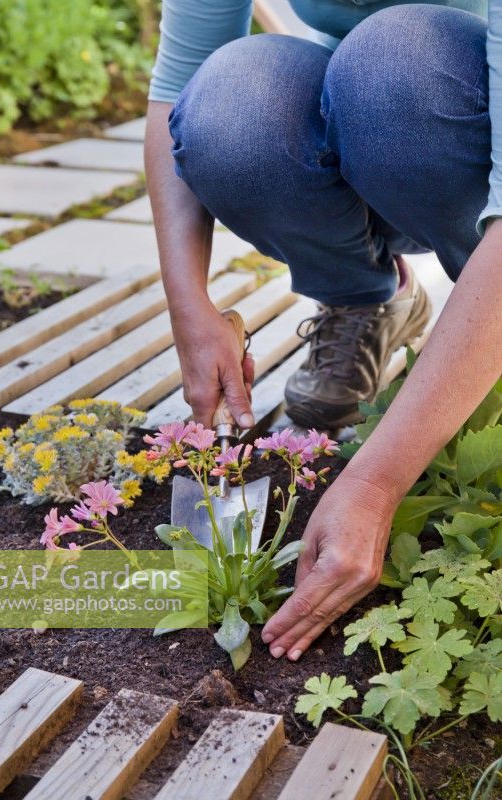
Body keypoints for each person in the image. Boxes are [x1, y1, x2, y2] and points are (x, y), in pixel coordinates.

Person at [145, 0, 502, 662]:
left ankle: (482, 334)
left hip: (444, 118)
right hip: (362, 133)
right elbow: (177, 88)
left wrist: (373, 482)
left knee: (393, 61)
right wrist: (188, 305)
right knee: (230, 102)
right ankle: (367, 300)